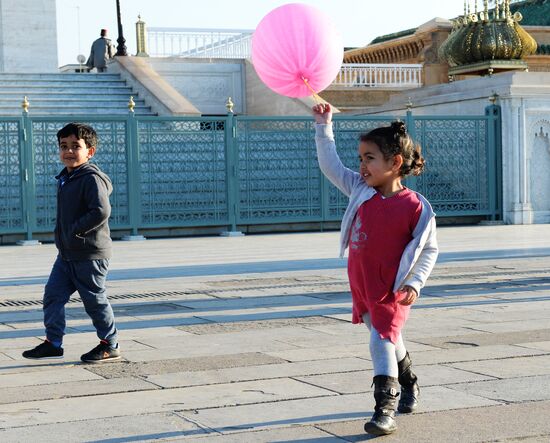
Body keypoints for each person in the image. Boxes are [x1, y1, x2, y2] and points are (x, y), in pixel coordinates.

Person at [313, 103, 438, 435]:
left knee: (380, 339)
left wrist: (415, 282)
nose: (362, 165)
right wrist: (324, 127)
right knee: (387, 336)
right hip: (362, 285)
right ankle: (408, 379)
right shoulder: (360, 189)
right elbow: (330, 166)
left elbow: (428, 249)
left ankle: (385, 408)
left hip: (391, 289)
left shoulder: (415, 206)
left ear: (395, 163)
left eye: (370, 158)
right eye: (361, 158)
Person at [23, 123, 121, 364]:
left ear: (90, 151)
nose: (68, 151)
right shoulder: (66, 178)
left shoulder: (91, 178)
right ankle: (53, 343)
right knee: (53, 296)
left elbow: (101, 210)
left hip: (89, 254)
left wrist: (77, 231)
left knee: (94, 300)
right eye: (63, 146)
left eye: (75, 146)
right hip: (66, 254)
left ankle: (110, 344)